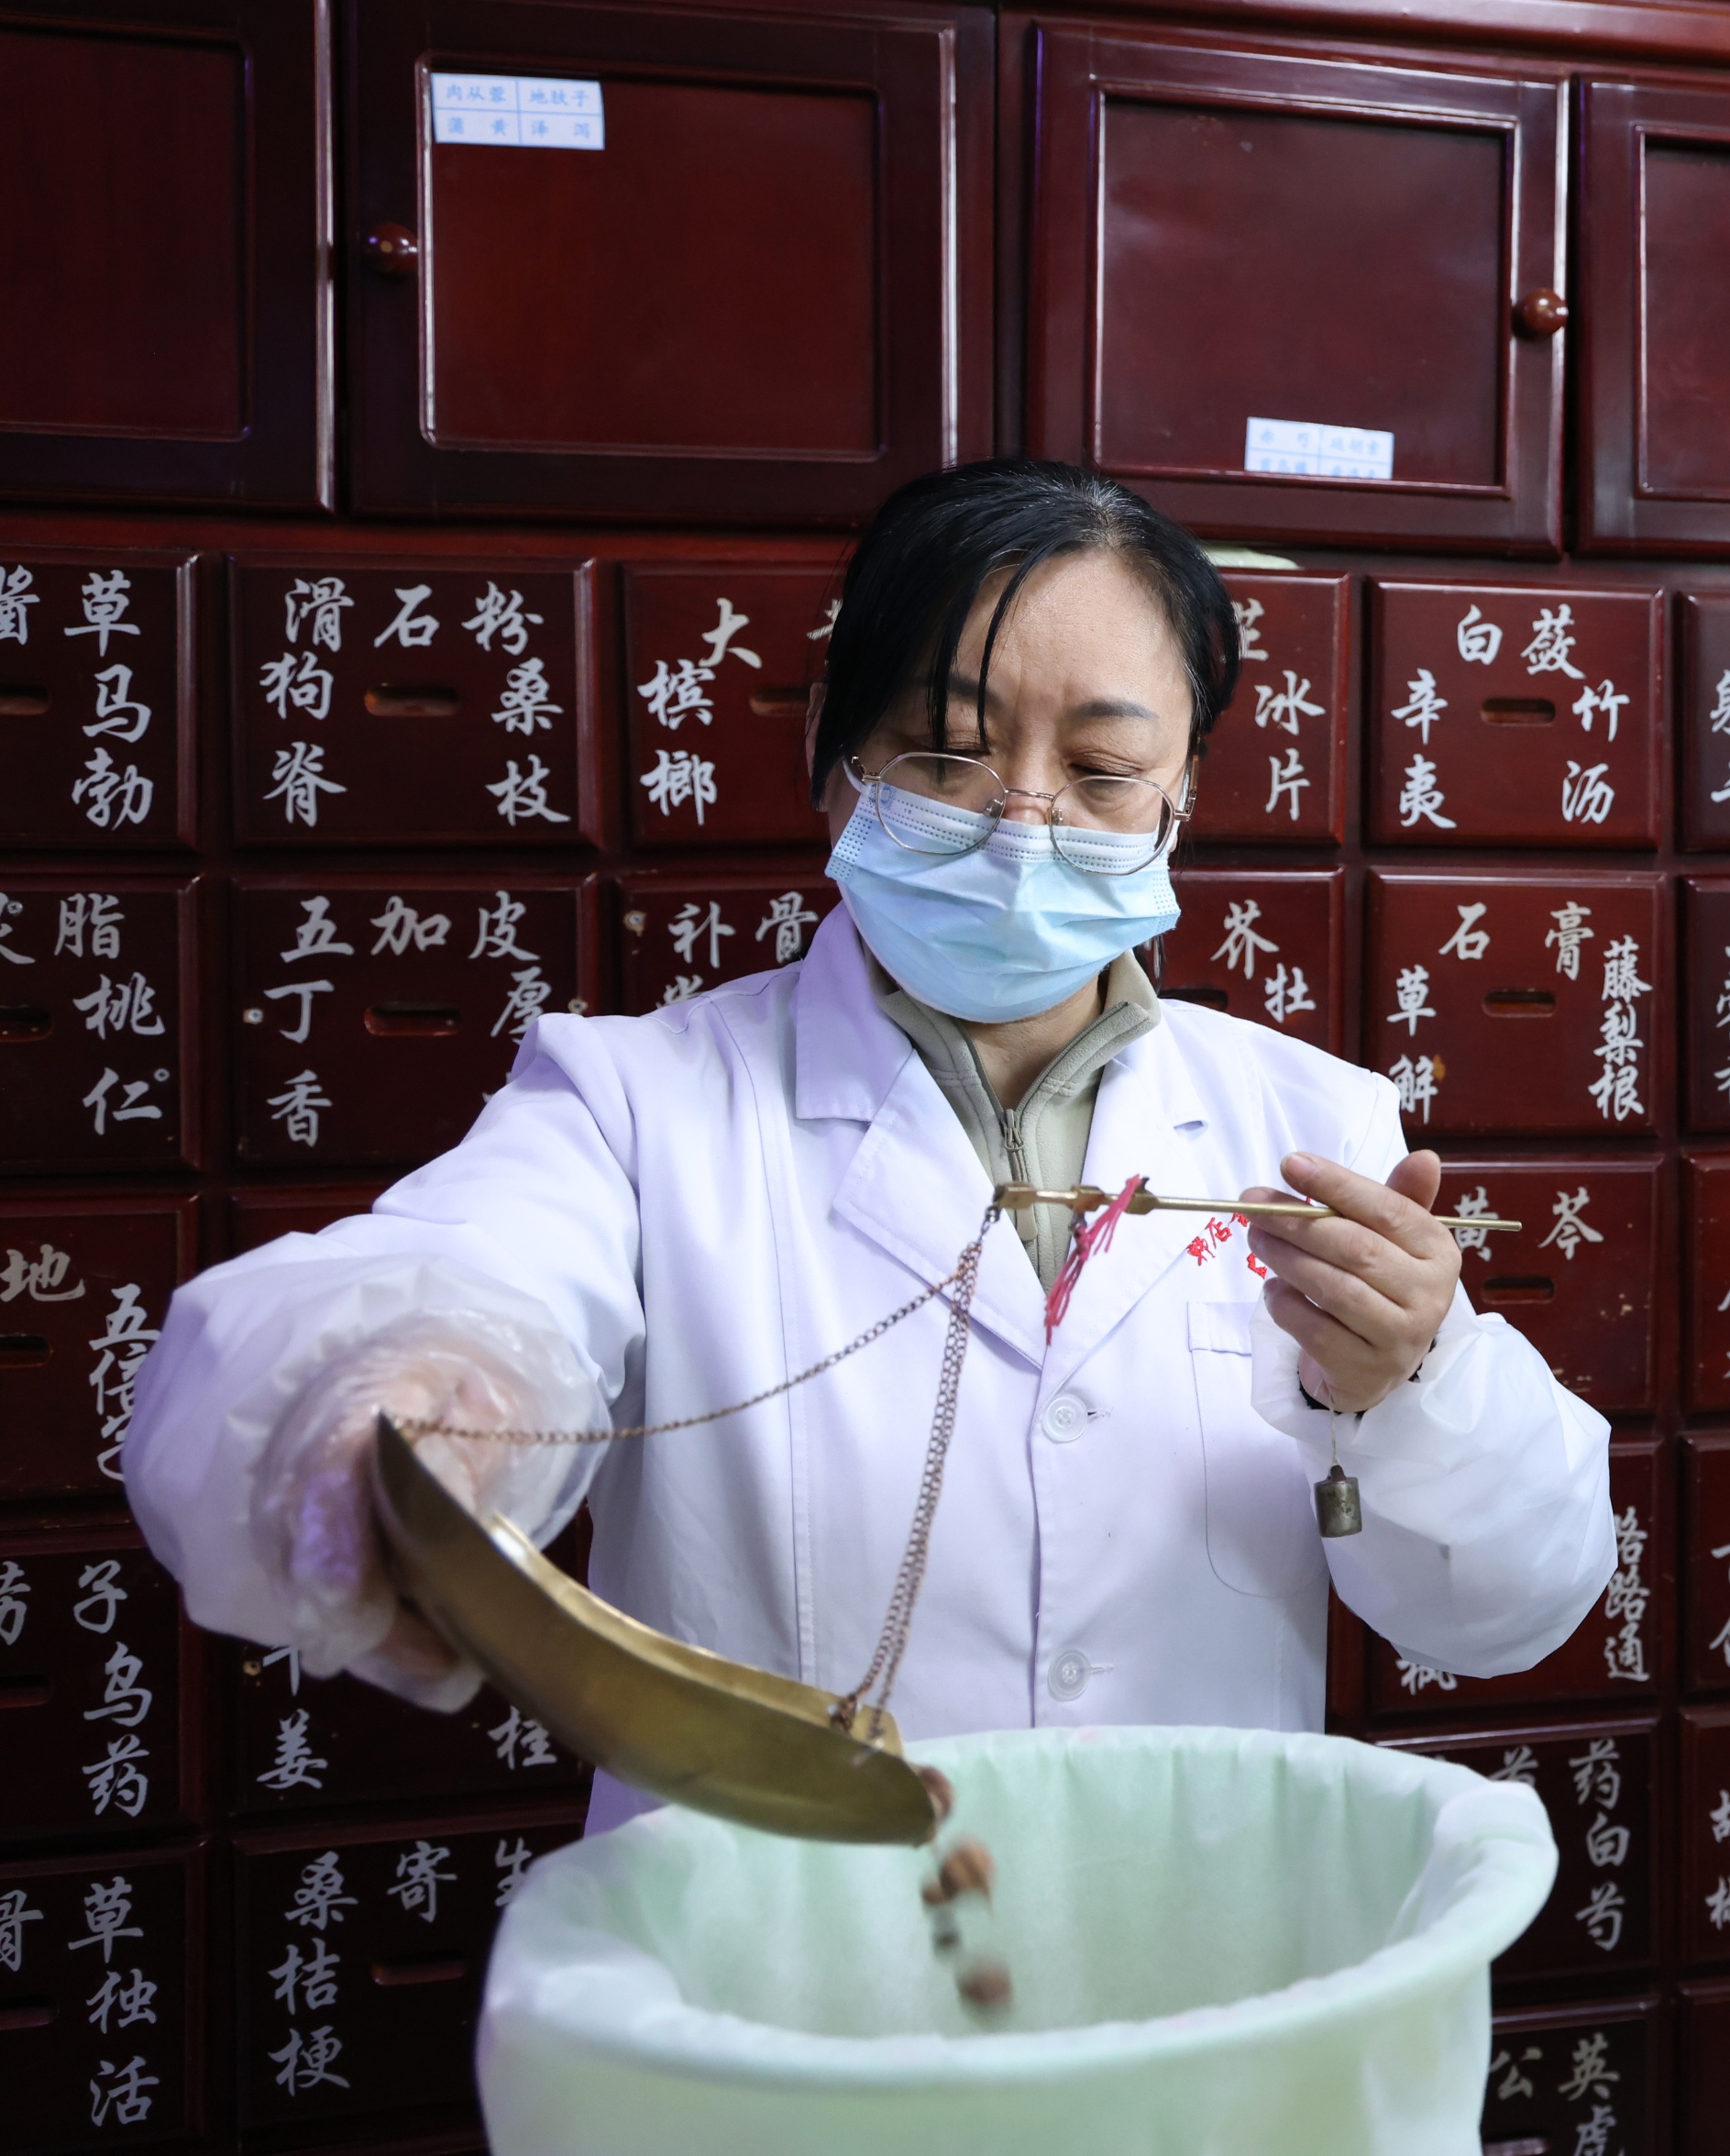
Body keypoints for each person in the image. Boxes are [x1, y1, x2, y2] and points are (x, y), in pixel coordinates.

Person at [128, 459, 1615, 1821]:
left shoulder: (1311, 1125)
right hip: (779, 1967)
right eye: (948, 750)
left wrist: (1411, 1382)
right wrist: (403, 1390)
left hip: (1185, 1944)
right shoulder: (637, 1102)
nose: (1023, 820)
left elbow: (1508, 1604)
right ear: (837, 759)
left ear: (1181, 798)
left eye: (1102, 769)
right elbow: (457, 1275)